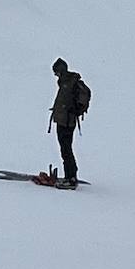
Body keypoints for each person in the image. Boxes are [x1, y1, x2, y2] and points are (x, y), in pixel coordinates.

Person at [49, 58, 89, 188]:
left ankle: (71, 178)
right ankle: (71, 175)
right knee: (66, 149)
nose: (55, 75)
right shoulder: (66, 82)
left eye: (56, 72)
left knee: (66, 150)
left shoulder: (69, 83)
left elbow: (76, 100)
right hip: (64, 120)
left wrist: (72, 110)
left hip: (66, 122)